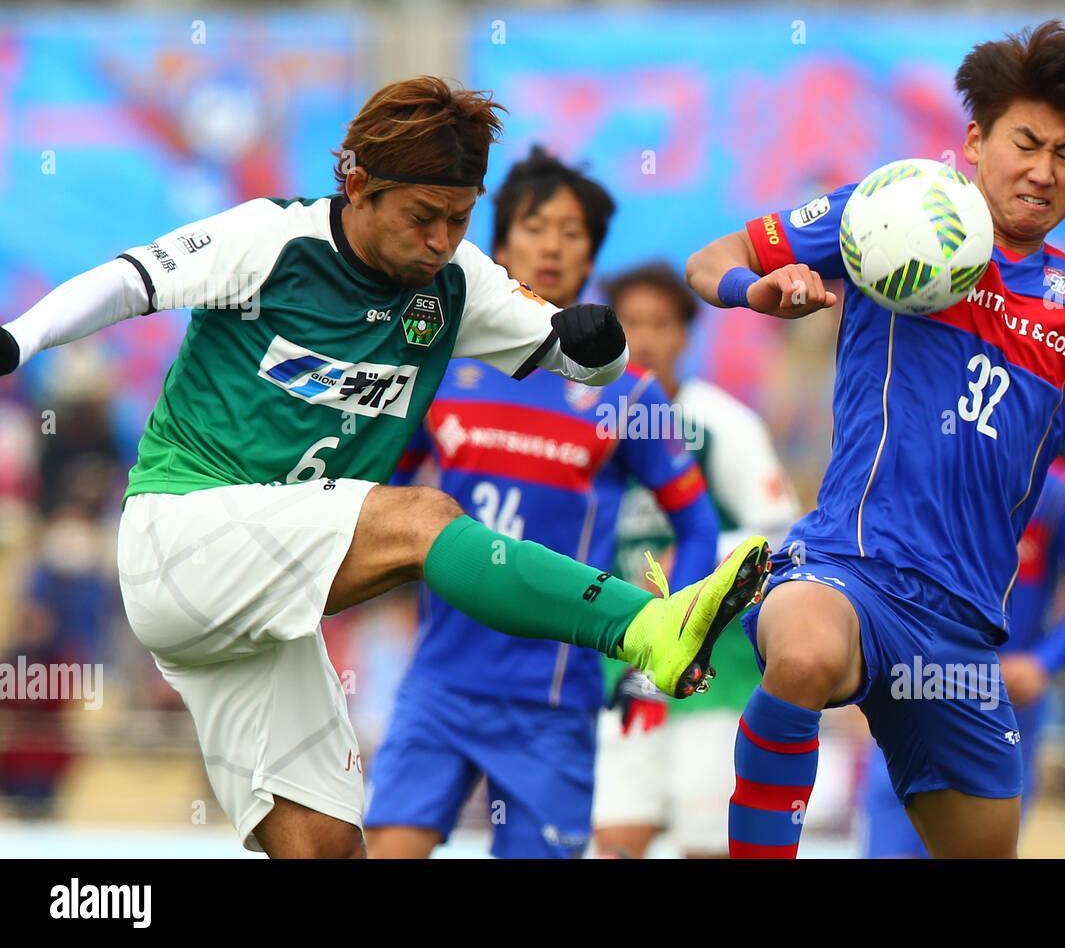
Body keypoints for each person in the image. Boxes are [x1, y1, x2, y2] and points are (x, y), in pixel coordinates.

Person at [0, 76, 770, 857]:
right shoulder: (271, 241)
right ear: (358, 184)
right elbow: (127, 283)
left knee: (328, 845)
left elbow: (578, 358)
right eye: (423, 217)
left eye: (460, 217)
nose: (441, 239)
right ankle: (643, 628)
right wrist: (19, 338)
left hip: (260, 617)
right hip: (182, 538)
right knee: (421, 518)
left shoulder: (458, 283)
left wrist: (598, 346)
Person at [685, 20, 1065, 859]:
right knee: (803, 653)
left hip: (962, 634)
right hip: (848, 570)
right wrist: (756, 289)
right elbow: (713, 258)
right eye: (1026, 142)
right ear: (975, 139)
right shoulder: (887, 214)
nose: (1044, 170)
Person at [363, 149, 721, 858]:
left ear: (591, 255)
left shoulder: (627, 392)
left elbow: (699, 528)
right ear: (497, 244)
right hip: (438, 682)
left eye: (572, 231)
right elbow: (381, 498)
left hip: (552, 699)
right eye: (534, 225)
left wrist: (658, 656)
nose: (552, 244)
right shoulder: (442, 367)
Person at [591, 262, 800, 858]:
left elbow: (781, 534)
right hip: (623, 669)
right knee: (615, 839)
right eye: (631, 323)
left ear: (687, 334)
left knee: (710, 843)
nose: (647, 338)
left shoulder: (723, 425)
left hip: (716, 674)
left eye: (661, 323)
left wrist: (697, 556)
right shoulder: (592, 419)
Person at [861, 456, 1065, 857]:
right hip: (912, 693)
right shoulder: (908, 468)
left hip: (1004, 704)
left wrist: (1043, 662)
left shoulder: (1054, 489)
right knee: (891, 842)